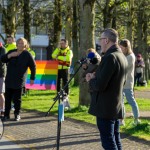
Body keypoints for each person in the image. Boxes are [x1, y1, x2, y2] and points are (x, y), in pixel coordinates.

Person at [86, 28, 127, 150]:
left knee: (108, 142)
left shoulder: (110, 57)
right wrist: (95, 76)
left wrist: (90, 79)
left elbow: (100, 85)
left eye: (100, 39)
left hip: (106, 107)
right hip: (115, 105)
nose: (99, 42)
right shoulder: (121, 56)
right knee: (115, 139)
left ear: (107, 40)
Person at [1, 37, 36, 121]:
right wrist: (10, 56)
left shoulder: (27, 54)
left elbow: (33, 66)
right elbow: (2, 59)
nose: (20, 45)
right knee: (8, 98)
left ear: (25, 45)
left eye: (22, 43)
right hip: (9, 79)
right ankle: (6, 115)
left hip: (19, 80)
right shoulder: (11, 52)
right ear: (16, 44)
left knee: (17, 99)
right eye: (19, 43)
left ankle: (17, 114)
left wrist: (32, 78)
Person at [119, 39, 140, 126]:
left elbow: (123, 66)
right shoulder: (123, 55)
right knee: (121, 102)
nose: (121, 49)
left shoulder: (130, 56)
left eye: (122, 48)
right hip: (121, 82)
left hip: (127, 83)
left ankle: (136, 119)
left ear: (126, 47)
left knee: (131, 101)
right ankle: (121, 120)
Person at [52, 39, 73, 108]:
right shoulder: (58, 50)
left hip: (65, 69)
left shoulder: (69, 51)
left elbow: (67, 58)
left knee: (65, 82)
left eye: (63, 43)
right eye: (60, 43)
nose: (61, 45)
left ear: (66, 44)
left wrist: (59, 57)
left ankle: (66, 95)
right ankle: (58, 94)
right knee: (57, 82)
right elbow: (53, 55)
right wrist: (58, 51)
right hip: (58, 68)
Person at [0, 42, 6, 118]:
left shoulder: (3, 49)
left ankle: (2, 109)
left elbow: (2, 60)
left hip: (1, 74)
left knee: (0, 93)